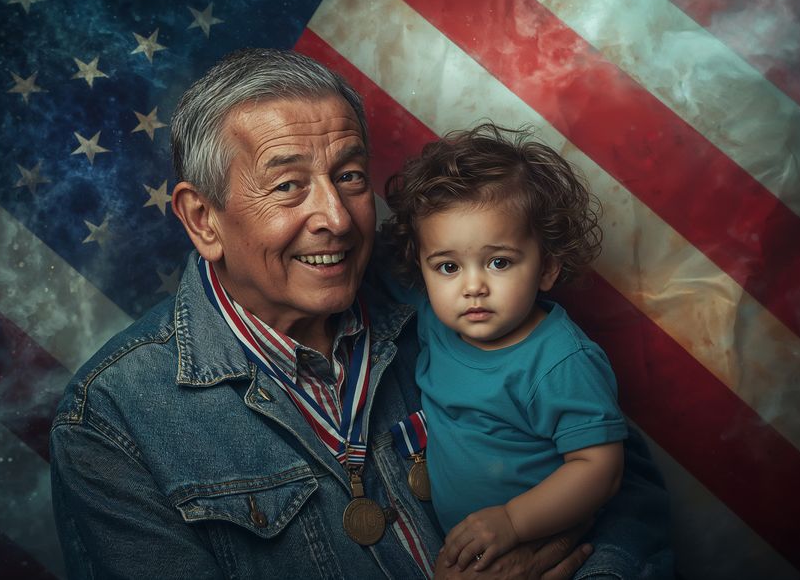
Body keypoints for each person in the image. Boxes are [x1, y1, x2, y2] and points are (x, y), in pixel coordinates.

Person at [49, 47, 672, 579]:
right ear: (204, 219)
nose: (339, 219)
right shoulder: (110, 421)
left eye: (348, 176)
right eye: (289, 185)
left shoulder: (438, 296)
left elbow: (623, 483)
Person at [383, 124, 626, 573]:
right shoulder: (437, 319)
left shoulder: (558, 362)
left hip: (538, 548)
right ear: (422, 267)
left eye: (499, 262)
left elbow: (601, 467)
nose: (473, 286)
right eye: (449, 266)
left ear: (548, 267)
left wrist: (515, 521)